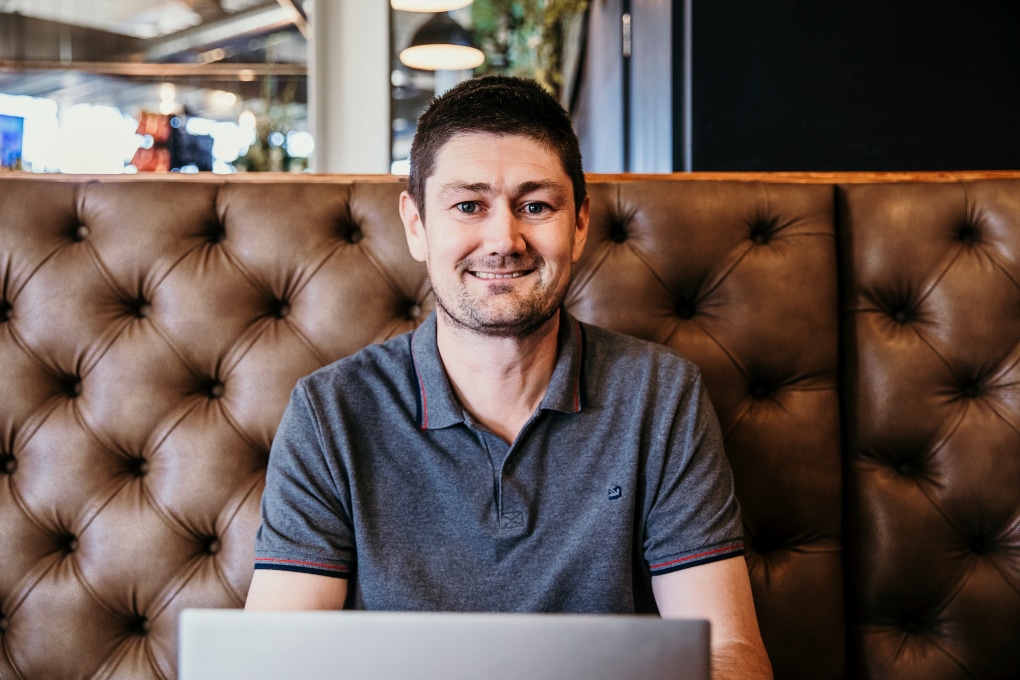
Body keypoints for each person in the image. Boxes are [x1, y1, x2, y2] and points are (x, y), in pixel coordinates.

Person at [245, 75, 773, 679]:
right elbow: (274, 662)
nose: (503, 240)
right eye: (469, 206)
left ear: (578, 224)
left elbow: (729, 651)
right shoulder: (330, 412)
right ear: (416, 225)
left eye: (536, 206)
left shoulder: (661, 395)